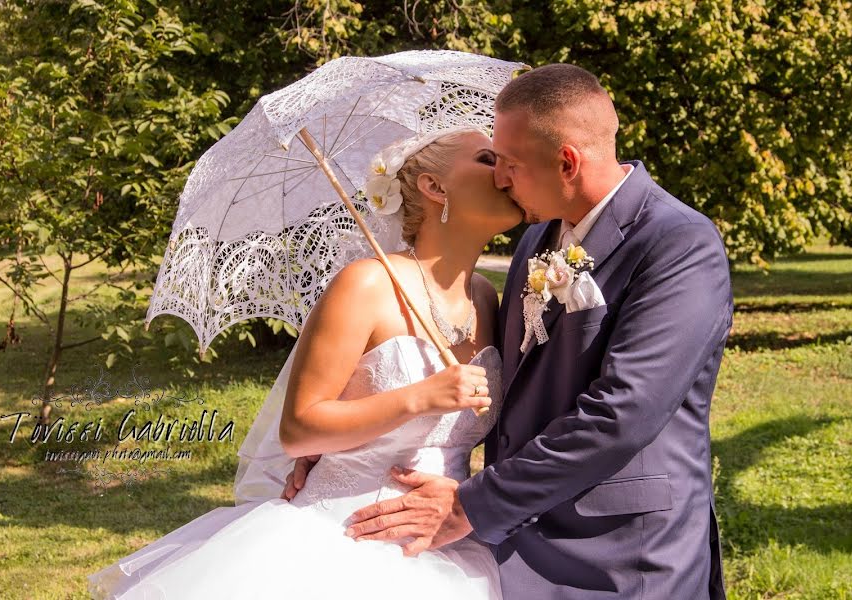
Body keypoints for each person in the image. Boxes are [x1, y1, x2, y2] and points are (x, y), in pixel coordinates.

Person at [335, 64, 733, 599]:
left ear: (567, 161)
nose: (501, 178)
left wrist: (470, 506)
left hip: (620, 552)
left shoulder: (678, 243)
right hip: (520, 536)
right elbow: (507, 386)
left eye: (511, 164)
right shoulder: (536, 241)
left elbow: (621, 415)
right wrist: (343, 444)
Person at [86, 128, 523, 599]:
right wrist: (418, 397)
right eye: (485, 158)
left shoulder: (485, 296)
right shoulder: (367, 284)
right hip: (341, 542)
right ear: (434, 187)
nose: (504, 170)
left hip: (445, 552)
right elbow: (299, 429)